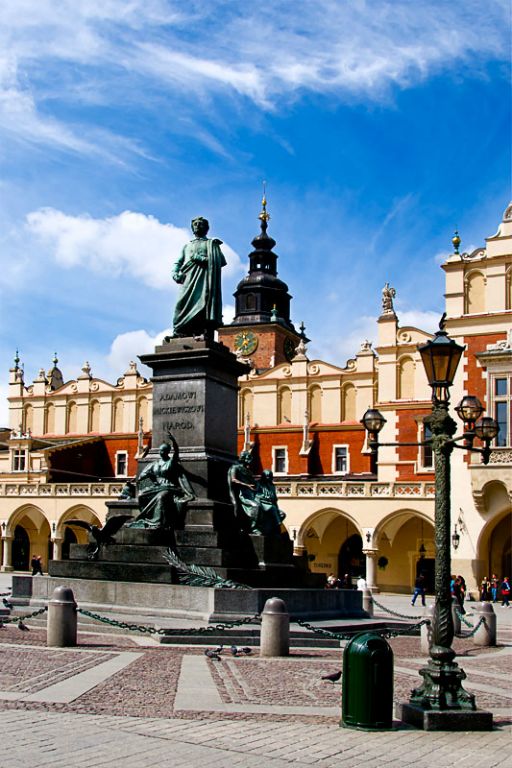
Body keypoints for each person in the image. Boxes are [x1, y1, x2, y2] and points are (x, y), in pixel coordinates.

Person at [171, 216, 226, 338]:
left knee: (202, 304)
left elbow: (220, 261)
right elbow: (178, 262)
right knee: (181, 305)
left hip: (205, 280)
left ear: (206, 228)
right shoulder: (187, 246)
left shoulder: (211, 244)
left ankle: (201, 332)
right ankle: (180, 332)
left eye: (200, 224)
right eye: (195, 224)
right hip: (188, 278)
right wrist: (175, 273)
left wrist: (200, 259)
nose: (197, 226)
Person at [128, 434, 195, 530]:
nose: (160, 452)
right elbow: (142, 476)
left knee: (161, 496)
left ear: (167, 452)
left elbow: (176, 454)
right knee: (142, 495)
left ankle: (157, 522)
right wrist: (150, 484)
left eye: (163, 450)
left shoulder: (171, 462)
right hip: (156, 487)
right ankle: (146, 518)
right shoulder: (154, 464)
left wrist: (174, 443)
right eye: (160, 450)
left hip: (169, 487)